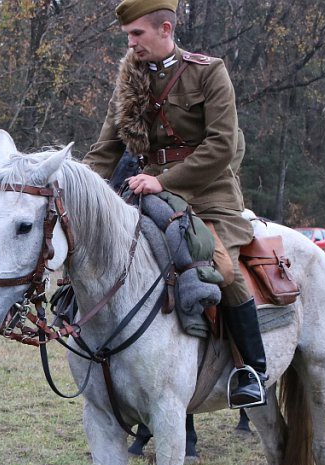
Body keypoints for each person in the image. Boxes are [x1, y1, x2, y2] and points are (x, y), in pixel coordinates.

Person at [83, 0, 267, 409]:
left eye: (137, 34)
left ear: (165, 29)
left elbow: (222, 145)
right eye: (128, 36)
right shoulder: (130, 80)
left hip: (209, 195)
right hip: (148, 191)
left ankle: (251, 368)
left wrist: (162, 180)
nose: (131, 44)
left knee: (224, 268)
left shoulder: (209, 71)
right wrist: (76, 190)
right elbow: (105, 149)